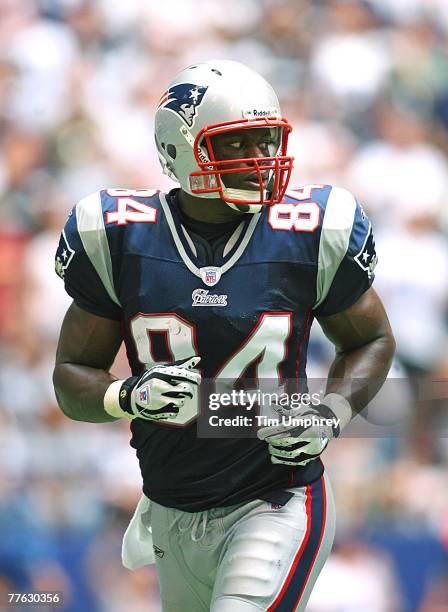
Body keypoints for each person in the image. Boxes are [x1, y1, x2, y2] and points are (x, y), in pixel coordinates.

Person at [53, 60, 395, 611]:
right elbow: (71, 377)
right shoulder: (118, 235)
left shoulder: (309, 231)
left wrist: (332, 412)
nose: (262, 160)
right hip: (169, 507)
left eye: (267, 141)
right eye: (239, 145)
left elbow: (372, 339)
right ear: (181, 149)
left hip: (276, 498)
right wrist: (128, 397)